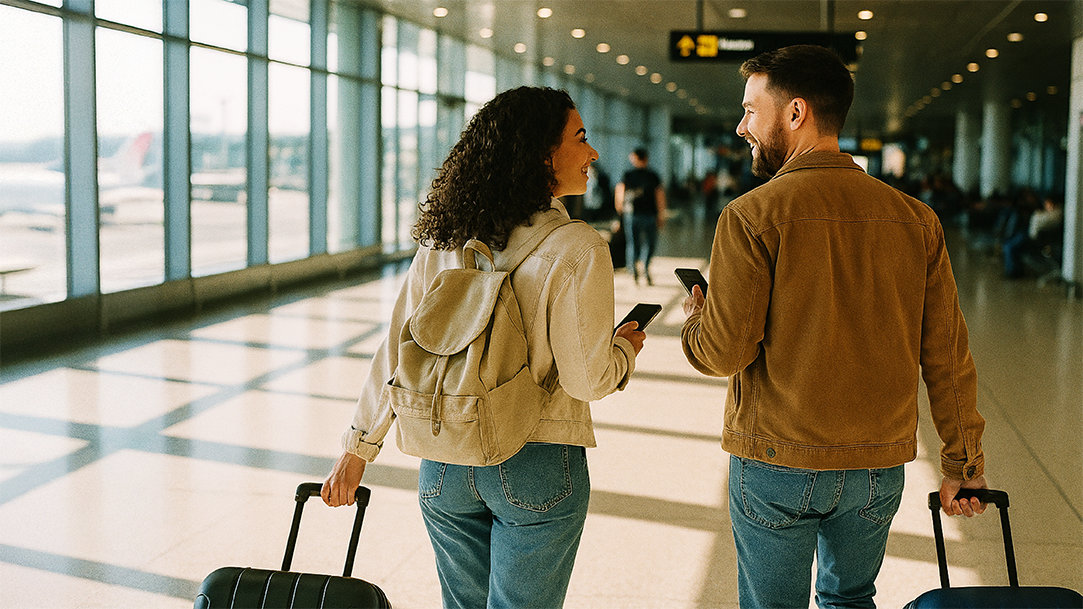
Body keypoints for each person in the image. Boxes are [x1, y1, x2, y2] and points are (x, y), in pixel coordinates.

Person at [680, 45, 989, 609]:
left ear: (795, 113)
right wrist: (962, 463)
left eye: (751, 110)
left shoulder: (751, 217)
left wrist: (699, 320)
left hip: (778, 460)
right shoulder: (917, 219)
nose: (741, 125)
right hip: (876, 465)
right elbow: (946, 352)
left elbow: (723, 353)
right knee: (850, 600)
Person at [321, 86, 646, 609]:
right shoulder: (577, 247)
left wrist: (358, 449)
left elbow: (397, 349)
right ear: (543, 154)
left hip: (443, 455)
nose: (593, 153)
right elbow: (588, 379)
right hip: (536, 458)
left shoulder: (445, 239)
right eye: (581, 139)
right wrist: (624, 350)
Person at [614, 147, 666, 284]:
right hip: (650, 215)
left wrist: (620, 214)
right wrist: (661, 214)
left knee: (632, 244)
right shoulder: (653, 176)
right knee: (649, 244)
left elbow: (619, 194)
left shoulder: (628, 175)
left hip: (632, 214)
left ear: (635, 158)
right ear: (646, 159)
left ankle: (633, 271)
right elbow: (660, 196)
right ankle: (645, 268)